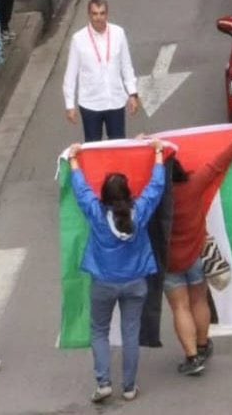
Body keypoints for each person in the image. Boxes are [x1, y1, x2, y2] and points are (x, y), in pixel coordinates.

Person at [67, 138, 166, 403]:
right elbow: (156, 186)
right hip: (136, 282)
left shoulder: (97, 214)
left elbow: (80, 189)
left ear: (105, 197)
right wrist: (157, 151)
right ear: (128, 193)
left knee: (99, 330)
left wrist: (74, 159)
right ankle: (130, 387)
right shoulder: (140, 211)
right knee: (130, 333)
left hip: (103, 282)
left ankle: (103, 382)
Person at [165, 125, 232, 375]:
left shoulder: (155, 198)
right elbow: (219, 163)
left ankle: (192, 358)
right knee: (199, 301)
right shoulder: (193, 185)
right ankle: (203, 345)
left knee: (180, 308)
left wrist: (142, 149)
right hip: (196, 255)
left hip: (170, 262)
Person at [63, 0, 141, 142]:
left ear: (107, 14)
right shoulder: (78, 39)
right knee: (93, 149)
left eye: (102, 13)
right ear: (89, 15)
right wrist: (69, 105)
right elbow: (70, 75)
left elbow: (126, 65)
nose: (99, 18)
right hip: (91, 104)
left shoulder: (118, 33)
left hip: (115, 101)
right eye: (95, 14)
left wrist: (133, 93)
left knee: (118, 147)